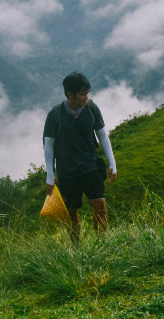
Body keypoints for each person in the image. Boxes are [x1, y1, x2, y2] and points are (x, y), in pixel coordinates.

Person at [43, 72, 117, 240]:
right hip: (67, 173)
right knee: (71, 212)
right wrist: (50, 174)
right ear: (70, 95)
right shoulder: (55, 115)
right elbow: (48, 145)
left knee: (100, 205)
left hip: (91, 167)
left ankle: (102, 244)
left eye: (87, 93)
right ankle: (76, 247)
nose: (86, 97)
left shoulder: (91, 108)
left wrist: (112, 162)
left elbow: (102, 135)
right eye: (82, 94)